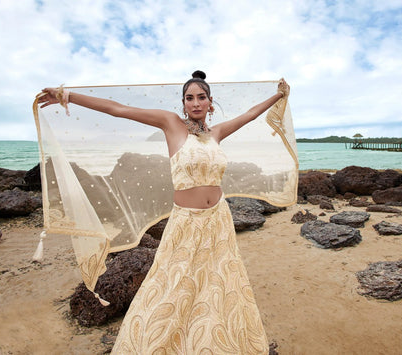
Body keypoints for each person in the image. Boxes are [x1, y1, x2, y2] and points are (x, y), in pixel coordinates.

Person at [39, 71, 290, 354]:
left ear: (210, 102)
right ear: (183, 103)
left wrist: (279, 95)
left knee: (219, 284)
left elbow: (251, 113)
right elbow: (118, 109)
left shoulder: (216, 133)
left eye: (201, 97)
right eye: (189, 98)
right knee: (173, 285)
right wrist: (66, 95)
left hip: (218, 220)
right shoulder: (171, 124)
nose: (195, 103)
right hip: (186, 221)